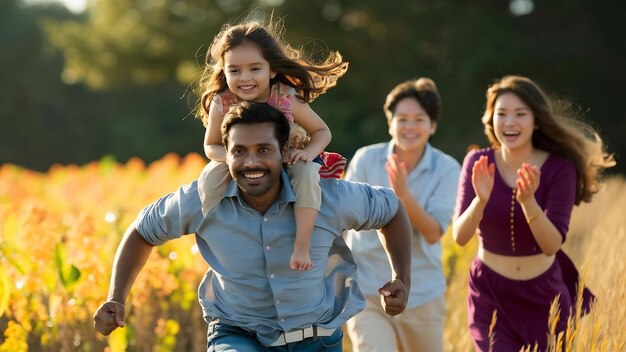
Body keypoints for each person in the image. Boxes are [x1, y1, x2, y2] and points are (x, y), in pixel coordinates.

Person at [93, 102, 412, 351]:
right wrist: (117, 297)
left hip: (318, 339)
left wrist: (402, 279)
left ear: (284, 151)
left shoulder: (329, 198)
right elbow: (141, 232)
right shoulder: (201, 201)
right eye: (239, 152)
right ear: (224, 155)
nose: (251, 162)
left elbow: (392, 210)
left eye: (263, 150)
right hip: (238, 337)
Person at [452, 75, 614, 351]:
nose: (510, 122)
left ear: (536, 120)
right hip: (489, 295)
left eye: (520, 114)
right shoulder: (476, 163)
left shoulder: (559, 168)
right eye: (501, 114)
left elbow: (551, 244)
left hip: (544, 298)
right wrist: (480, 201)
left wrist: (529, 202)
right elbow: (460, 236)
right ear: (490, 120)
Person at [196, 17, 348, 271]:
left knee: (306, 173)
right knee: (209, 178)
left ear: (272, 69)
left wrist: (307, 153)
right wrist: (233, 159)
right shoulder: (222, 102)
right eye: (234, 70)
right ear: (224, 70)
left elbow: (322, 131)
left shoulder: (286, 97)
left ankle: (301, 244)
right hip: (241, 162)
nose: (244, 78)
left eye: (255, 69)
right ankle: (222, 242)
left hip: (287, 158)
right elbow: (211, 146)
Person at [344, 78, 461, 352]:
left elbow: (433, 232)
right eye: (402, 119)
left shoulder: (446, 168)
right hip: (367, 292)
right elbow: (347, 218)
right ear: (390, 122)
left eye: (419, 119)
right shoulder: (365, 159)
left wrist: (402, 196)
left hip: (422, 296)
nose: (410, 126)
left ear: (432, 126)